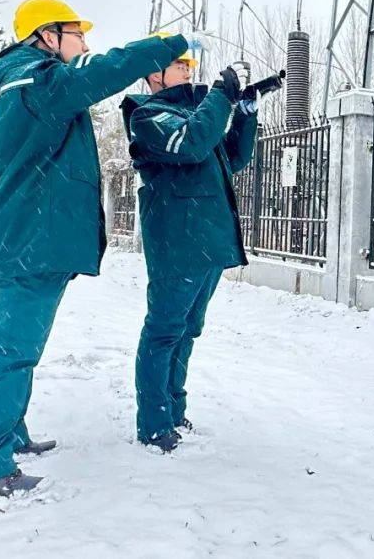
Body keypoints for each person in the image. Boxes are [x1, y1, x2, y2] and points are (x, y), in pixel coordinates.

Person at [0, 0, 190, 496]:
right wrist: (166, 45)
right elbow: (105, 70)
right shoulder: (36, 81)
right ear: (47, 36)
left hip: (36, 243)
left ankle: (9, 434)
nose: (85, 45)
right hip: (29, 243)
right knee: (8, 351)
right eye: (77, 34)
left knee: (20, 348)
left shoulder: (33, 82)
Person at [120, 35, 266, 451]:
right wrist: (221, 94)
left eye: (188, 63)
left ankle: (173, 408)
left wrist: (245, 112)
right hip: (177, 242)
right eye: (178, 64)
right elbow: (192, 143)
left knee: (188, 330)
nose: (188, 68)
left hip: (207, 241)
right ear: (154, 75)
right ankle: (153, 422)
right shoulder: (148, 116)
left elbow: (232, 158)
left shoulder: (192, 113)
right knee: (164, 330)